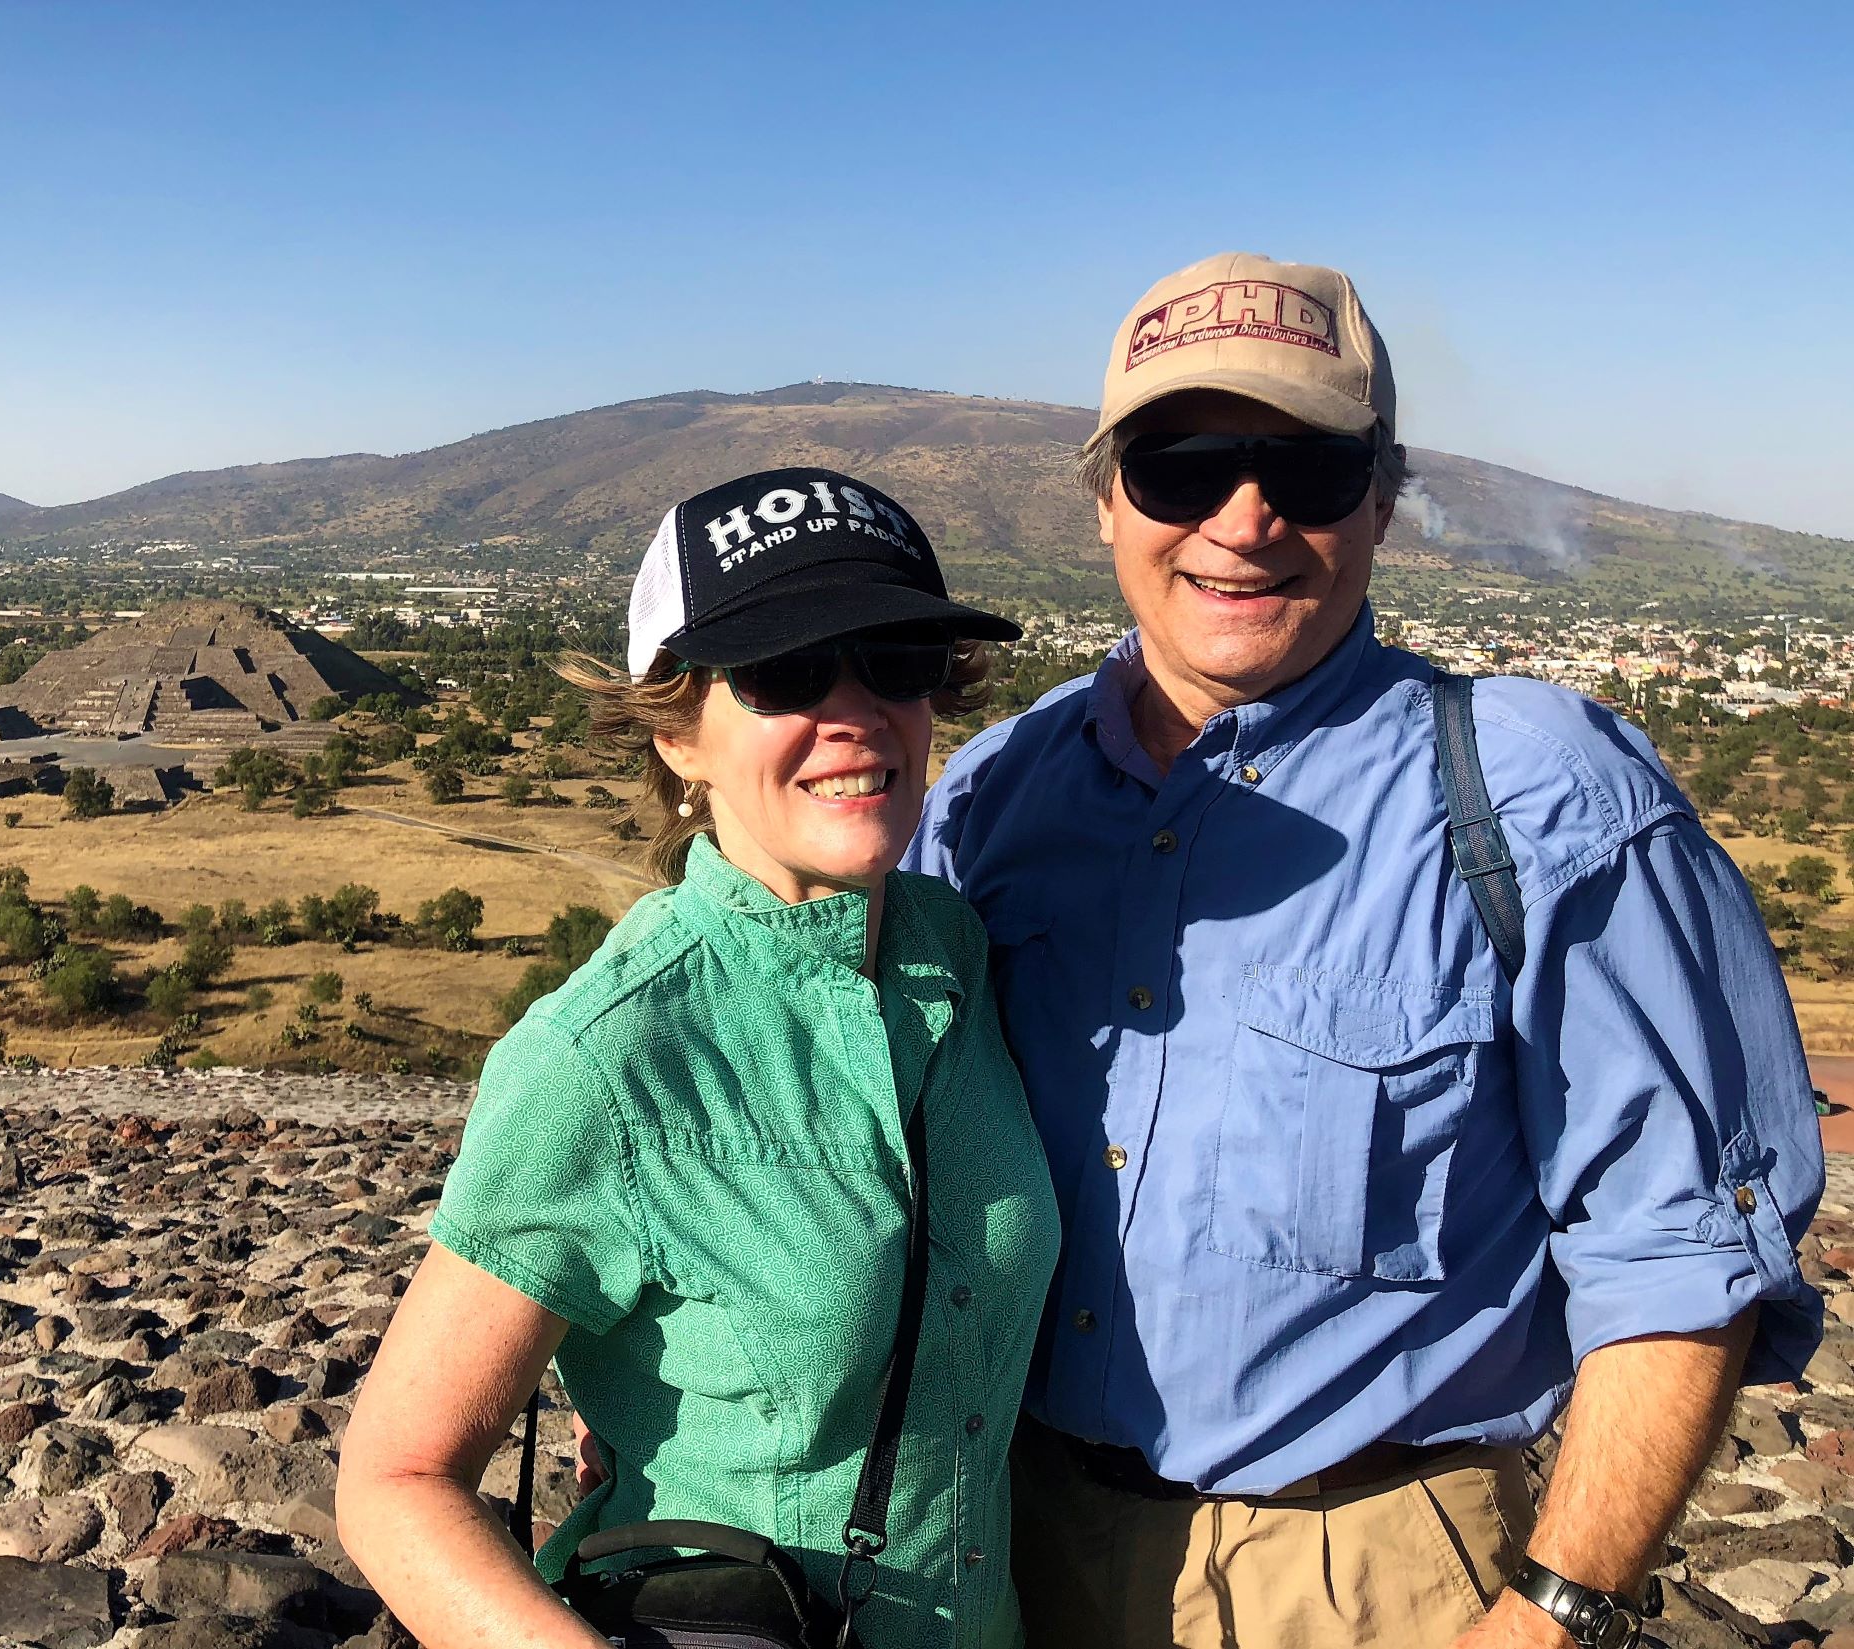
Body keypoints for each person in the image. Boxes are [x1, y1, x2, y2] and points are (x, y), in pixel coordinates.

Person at [910, 251, 1824, 1649]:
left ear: (1385, 498)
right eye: (1180, 466)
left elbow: (1685, 1250)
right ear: (1104, 497)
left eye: (1311, 469)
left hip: (1372, 1573)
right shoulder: (990, 803)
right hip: (1002, 1547)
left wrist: (1551, 1610)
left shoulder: (1543, 799)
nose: (1245, 517)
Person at [337, 467, 1061, 1649]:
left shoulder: (963, 961)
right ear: (678, 733)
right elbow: (395, 1480)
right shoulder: (607, 1058)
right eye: (784, 672)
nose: (856, 712)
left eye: (897, 660)